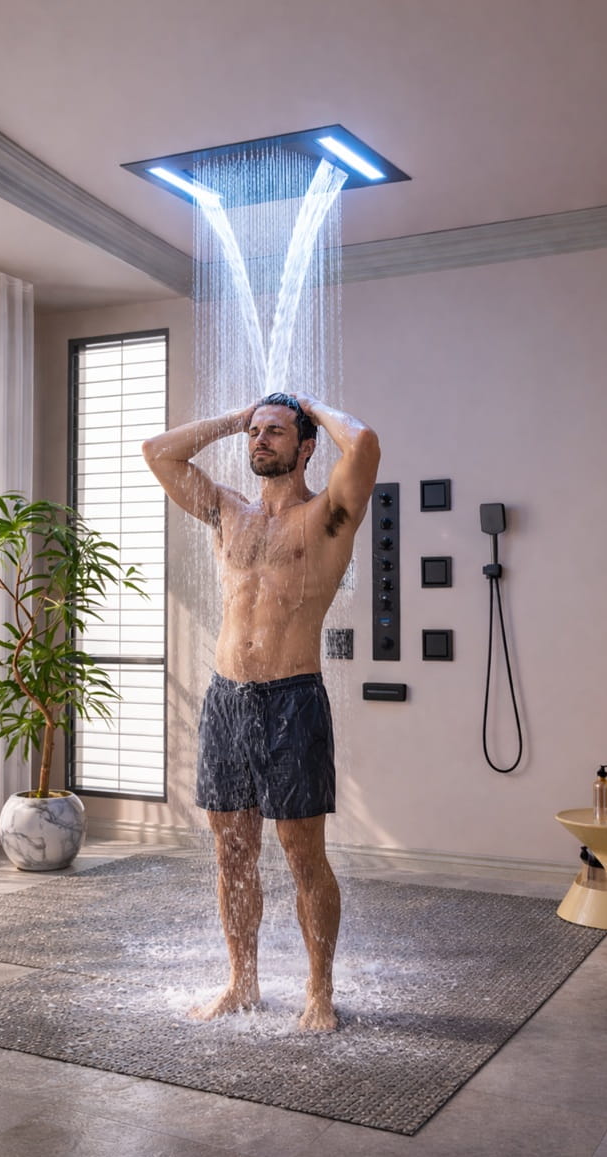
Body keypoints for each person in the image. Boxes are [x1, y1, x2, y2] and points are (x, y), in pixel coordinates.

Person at [142, 392, 380, 1031]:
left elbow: (362, 444)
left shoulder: (326, 516)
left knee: (304, 857)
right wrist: (234, 417)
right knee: (231, 854)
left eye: (275, 432)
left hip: (292, 699)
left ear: (306, 448)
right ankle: (241, 982)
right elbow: (157, 452)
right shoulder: (227, 511)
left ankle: (319, 991)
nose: (259, 440)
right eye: (255, 432)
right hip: (227, 698)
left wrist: (310, 406)